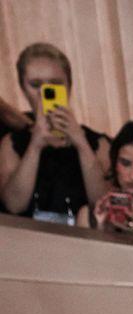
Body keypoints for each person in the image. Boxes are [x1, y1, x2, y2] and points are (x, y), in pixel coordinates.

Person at [0, 41, 108, 221]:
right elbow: (14, 204)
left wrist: (81, 143)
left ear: (69, 86)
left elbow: (103, 204)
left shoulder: (98, 142)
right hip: (30, 236)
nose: (44, 93)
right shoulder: (11, 143)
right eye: (35, 85)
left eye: (55, 83)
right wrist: (35, 145)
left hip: (83, 235)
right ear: (23, 90)